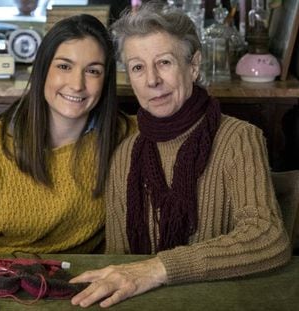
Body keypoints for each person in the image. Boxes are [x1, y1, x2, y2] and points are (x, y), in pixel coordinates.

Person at [70, 2, 291, 308]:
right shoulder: (124, 156)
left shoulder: (239, 138)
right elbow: (121, 263)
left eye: (164, 62)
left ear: (194, 65)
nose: (151, 80)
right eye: (137, 67)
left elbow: (267, 237)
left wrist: (158, 269)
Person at [0, 14, 132, 254]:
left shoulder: (121, 136)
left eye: (93, 71)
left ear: (106, 80)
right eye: (64, 66)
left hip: (71, 281)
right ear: (42, 70)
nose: (77, 84)